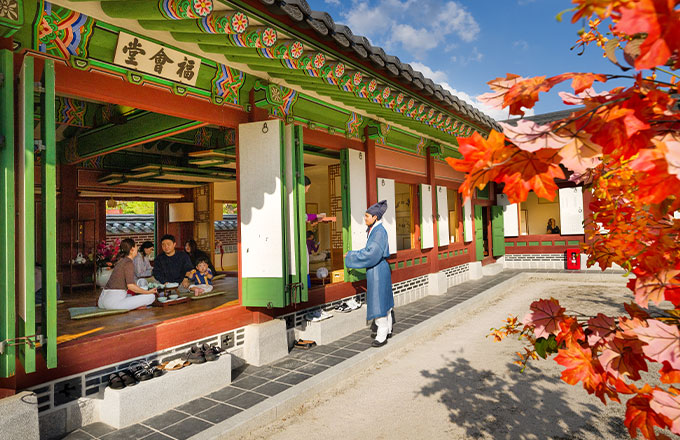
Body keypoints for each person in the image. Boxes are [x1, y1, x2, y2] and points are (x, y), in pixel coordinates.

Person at [345, 200, 394, 347]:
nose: (365, 218)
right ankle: (388, 329)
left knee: (378, 301)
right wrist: (354, 253)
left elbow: (371, 254)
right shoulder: (376, 229)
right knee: (384, 301)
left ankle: (382, 335)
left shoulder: (378, 232)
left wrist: (351, 255)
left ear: (375, 217)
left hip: (377, 269)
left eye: (367, 216)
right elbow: (370, 251)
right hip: (381, 268)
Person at [98, 238, 157, 310]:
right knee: (151, 297)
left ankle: (135, 305)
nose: (137, 249)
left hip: (102, 301)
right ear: (132, 250)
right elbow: (131, 286)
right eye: (136, 246)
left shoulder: (121, 260)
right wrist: (147, 292)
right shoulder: (128, 262)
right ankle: (135, 305)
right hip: (112, 303)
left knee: (130, 296)